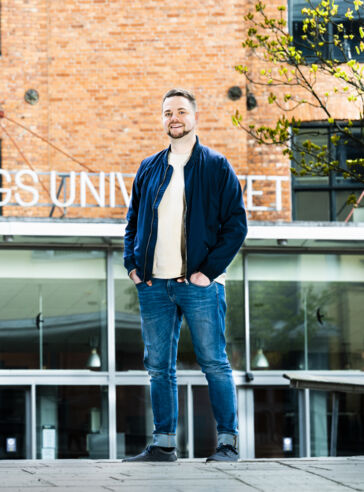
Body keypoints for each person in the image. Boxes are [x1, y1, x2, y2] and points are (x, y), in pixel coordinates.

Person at [123, 88, 247, 463]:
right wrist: (133, 265)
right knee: (159, 367)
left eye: (180, 111)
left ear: (194, 117)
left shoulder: (216, 165)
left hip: (199, 285)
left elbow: (236, 225)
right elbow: (132, 222)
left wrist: (208, 273)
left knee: (213, 361)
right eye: (167, 113)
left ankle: (227, 443)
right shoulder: (149, 167)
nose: (173, 118)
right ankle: (163, 444)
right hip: (153, 285)